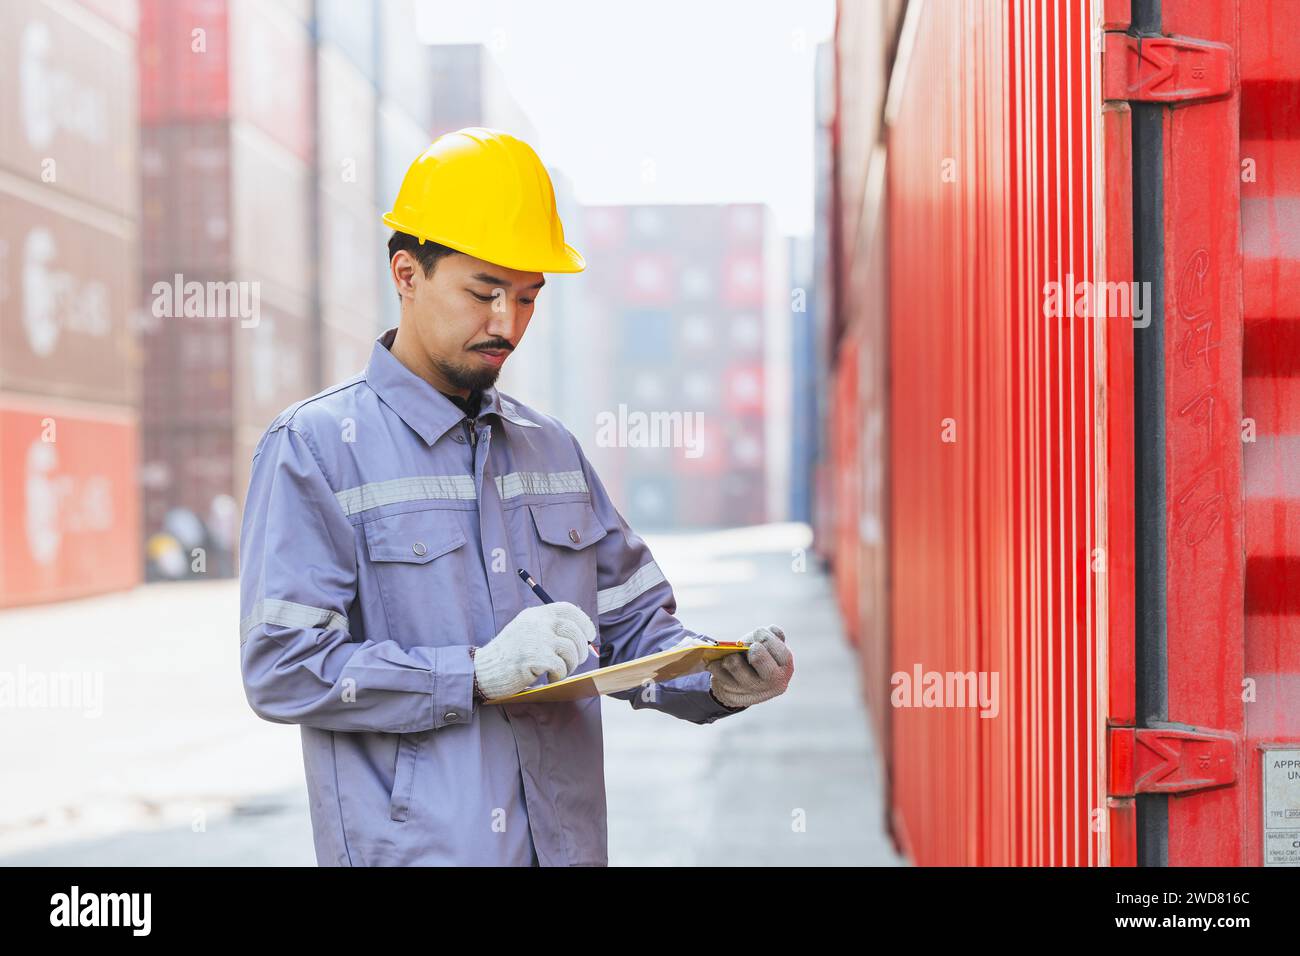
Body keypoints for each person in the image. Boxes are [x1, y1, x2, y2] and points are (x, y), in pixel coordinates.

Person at [237, 127, 794, 866]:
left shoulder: (553, 450)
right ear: (407, 273)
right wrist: (470, 674)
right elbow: (283, 667)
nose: (507, 323)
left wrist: (717, 676)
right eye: (483, 293)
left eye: (528, 297)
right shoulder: (316, 448)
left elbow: (635, 630)